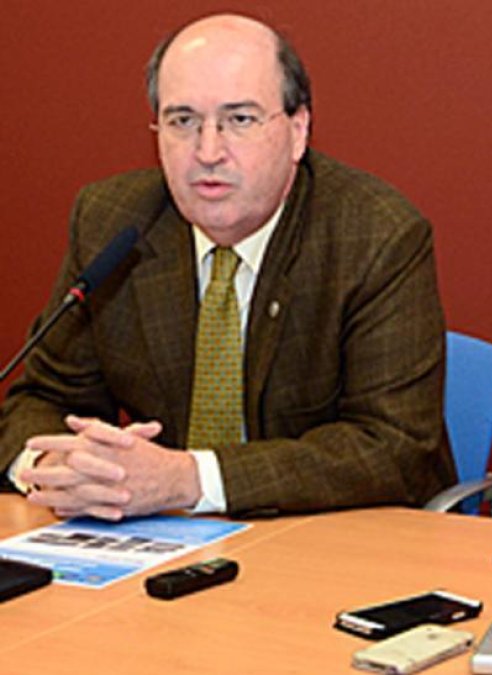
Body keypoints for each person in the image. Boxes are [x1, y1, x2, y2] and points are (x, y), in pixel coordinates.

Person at [0, 13, 456, 520]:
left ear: (298, 129)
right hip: (156, 548)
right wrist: (53, 463)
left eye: (239, 120)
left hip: (329, 539)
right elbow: (42, 397)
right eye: (183, 121)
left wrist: (190, 479)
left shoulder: (377, 235)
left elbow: (393, 448)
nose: (208, 151)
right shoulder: (114, 221)